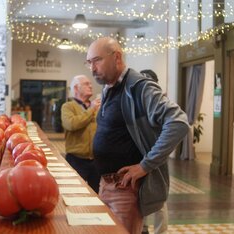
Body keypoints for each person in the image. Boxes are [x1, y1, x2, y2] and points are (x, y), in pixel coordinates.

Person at [86, 37, 189, 233]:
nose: (92, 68)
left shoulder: (140, 87)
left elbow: (178, 122)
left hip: (125, 189)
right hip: (105, 184)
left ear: (116, 57)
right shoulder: (109, 86)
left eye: (97, 60)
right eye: (89, 62)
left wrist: (145, 165)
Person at [61, 75, 101, 193]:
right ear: (76, 88)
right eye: (86, 83)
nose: (90, 85)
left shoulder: (97, 107)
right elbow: (71, 124)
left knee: (96, 195)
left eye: (90, 83)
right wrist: (91, 110)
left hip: (96, 160)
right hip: (76, 160)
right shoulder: (68, 106)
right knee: (75, 193)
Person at [140, 69, 168, 234]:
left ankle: (160, 231)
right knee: (138, 195)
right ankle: (142, 228)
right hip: (137, 157)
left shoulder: (162, 103)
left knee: (160, 198)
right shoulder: (136, 102)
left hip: (156, 157)